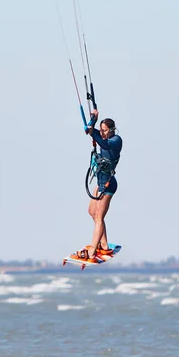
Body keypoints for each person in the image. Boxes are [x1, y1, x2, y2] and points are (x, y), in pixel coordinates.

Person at [78, 109, 122, 261]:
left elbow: (102, 142)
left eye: (104, 130)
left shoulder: (116, 140)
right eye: (101, 130)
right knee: (92, 211)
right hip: (100, 182)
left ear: (111, 130)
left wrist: (93, 131)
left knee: (99, 218)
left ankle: (92, 252)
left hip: (109, 185)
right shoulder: (102, 136)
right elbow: (90, 132)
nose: (102, 133)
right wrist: (92, 121)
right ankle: (103, 245)